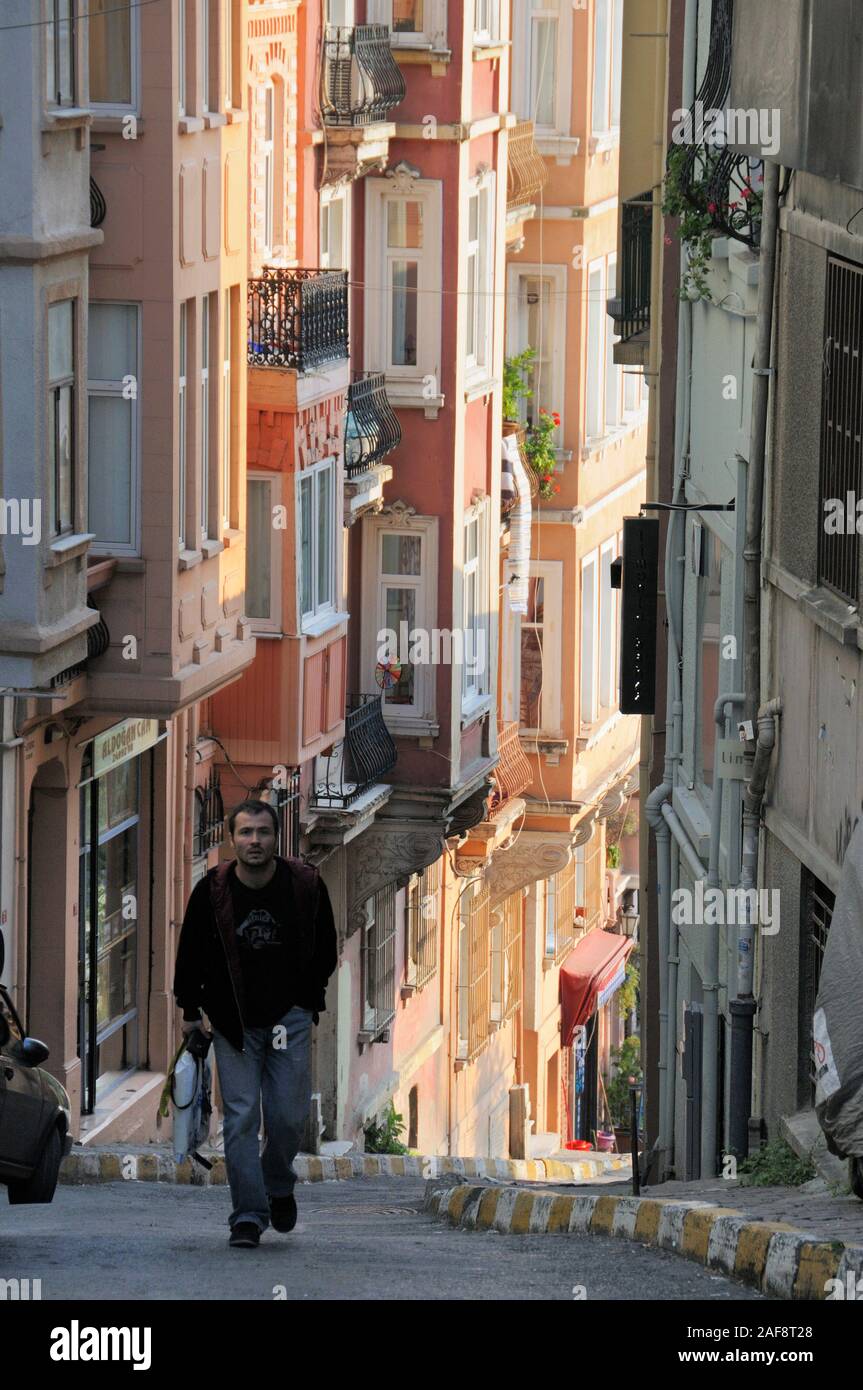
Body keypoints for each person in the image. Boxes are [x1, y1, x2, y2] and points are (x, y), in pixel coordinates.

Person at [173, 799, 338, 1249]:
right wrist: (191, 1013)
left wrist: (307, 1001)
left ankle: (278, 1183)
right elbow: (189, 954)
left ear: (276, 838)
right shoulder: (212, 891)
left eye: (263, 832)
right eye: (245, 833)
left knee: (287, 1117)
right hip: (234, 1023)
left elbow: (326, 948)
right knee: (241, 1119)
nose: (254, 841)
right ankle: (247, 1215)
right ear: (231, 839)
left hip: (289, 1018)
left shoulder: (304, 885)